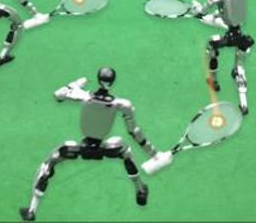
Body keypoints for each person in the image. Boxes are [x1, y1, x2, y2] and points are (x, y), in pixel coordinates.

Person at [19, 68, 157, 221]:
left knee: (50, 162)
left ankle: (32, 209)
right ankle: (140, 190)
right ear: (113, 81)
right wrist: (152, 153)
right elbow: (134, 132)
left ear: (98, 79)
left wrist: (75, 85)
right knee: (125, 151)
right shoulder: (122, 104)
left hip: (79, 149)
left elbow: (58, 95)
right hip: (107, 149)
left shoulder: (83, 96)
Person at [191, 0, 253, 115]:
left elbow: (203, 11)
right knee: (240, 67)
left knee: (211, 46)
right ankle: (244, 104)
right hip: (240, 32)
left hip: (229, 35)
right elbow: (225, 11)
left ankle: (214, 81)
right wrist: (213, 15)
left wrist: (198, 12)